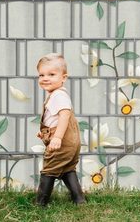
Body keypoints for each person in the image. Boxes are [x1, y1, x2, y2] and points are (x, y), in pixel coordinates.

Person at [36, 53, 85, 206]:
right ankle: (79, 199)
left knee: (49, 169)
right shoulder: (56, 95)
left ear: (63, 77)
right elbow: (54, 119)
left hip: (63, 142)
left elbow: (64, 116)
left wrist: (56, 138)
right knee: (67, 169)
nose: (45, 78)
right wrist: (45, 133)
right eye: (41, 74)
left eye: (51, 74)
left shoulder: (58, 96)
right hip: (71, 142)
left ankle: (40, 203)